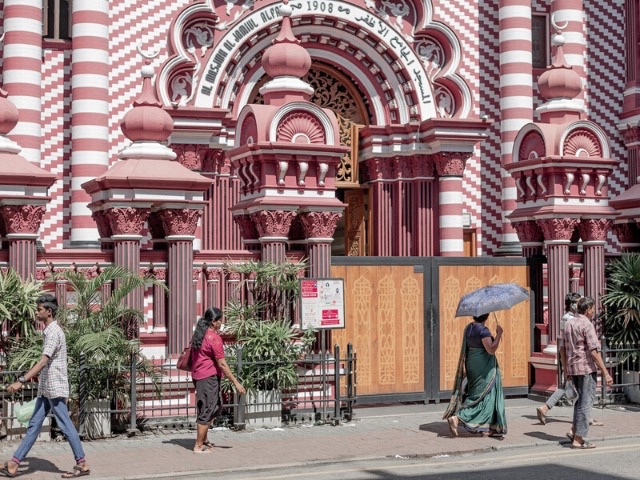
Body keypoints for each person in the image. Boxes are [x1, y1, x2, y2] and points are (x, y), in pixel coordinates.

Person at [0, 294, 90, 478]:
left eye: (39, 309)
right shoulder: (49, 331)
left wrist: (21, 381)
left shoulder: (54, 333)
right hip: (47, 387)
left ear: (49, 312)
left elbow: (42, 362)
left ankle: (82, 463)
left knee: (65, 425)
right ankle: (15, 463)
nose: (36, 312)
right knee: (34, 425)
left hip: (54, 387)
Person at [190, 307, 246, 453]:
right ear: (213, 322)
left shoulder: (199, 334)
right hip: (208, 377)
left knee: (214, 407)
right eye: (220, 320)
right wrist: (236, 382)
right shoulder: (213, 338)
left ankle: (204, 439)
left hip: (199, 375)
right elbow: (222, 363)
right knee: (208, 409)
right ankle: (198, 446)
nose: (221, 323)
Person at [443, 313, 507, 438]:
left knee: (476, 394)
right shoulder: (483, 331)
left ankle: (494, 428)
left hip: (472, 364)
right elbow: (491, 349)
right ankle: (458, 418)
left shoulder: (469, 328)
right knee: (485, 397)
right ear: (487, 316)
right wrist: (499, 333)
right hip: (484, 368)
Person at [561, 296, 613, 449]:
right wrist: (606, 372)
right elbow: (594, 352)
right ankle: (579, 439)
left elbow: (562, 348)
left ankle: (574, 431)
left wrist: (565, 369)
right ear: (588, 309)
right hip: (585, 368)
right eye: (592, 309)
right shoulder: (586, 324)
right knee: (586, 403)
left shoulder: (569, 323)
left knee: (579, 401)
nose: (593, 312)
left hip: (572, 367)